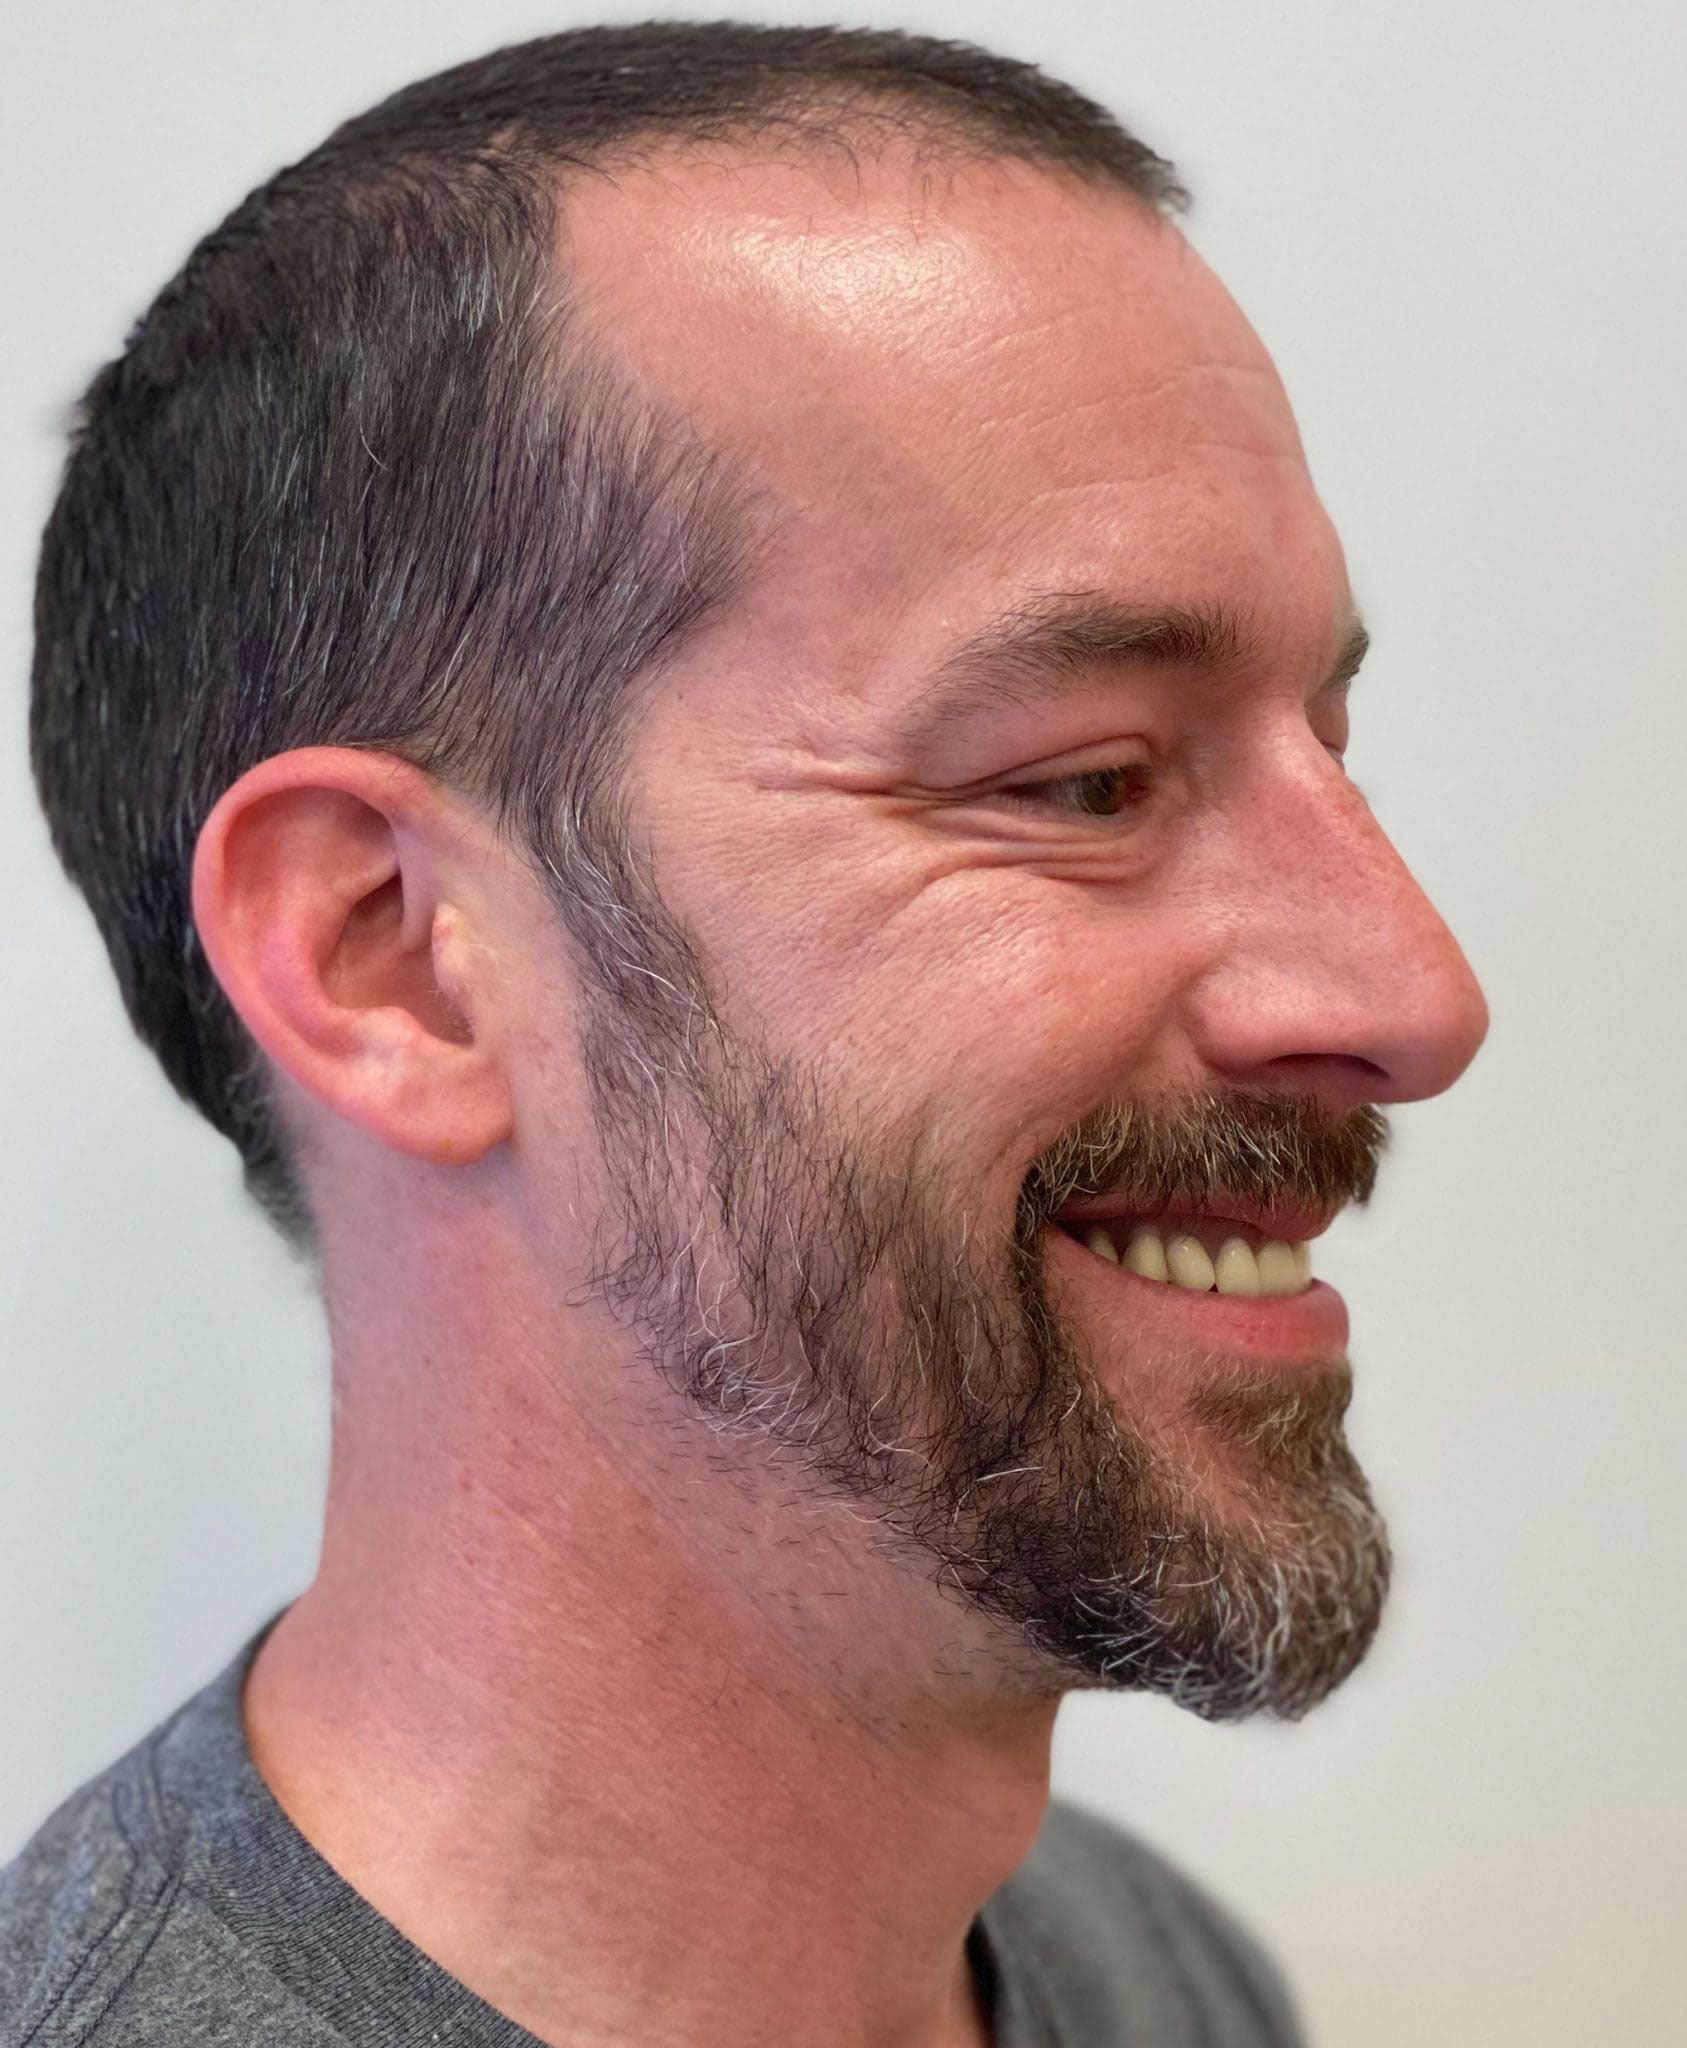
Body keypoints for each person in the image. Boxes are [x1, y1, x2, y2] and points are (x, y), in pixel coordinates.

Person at [3, 20, 1489, 2047]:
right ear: (396, 959)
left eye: (1324, 742)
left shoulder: (1151, 1978)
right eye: (1086, 782)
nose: (1411, 995)